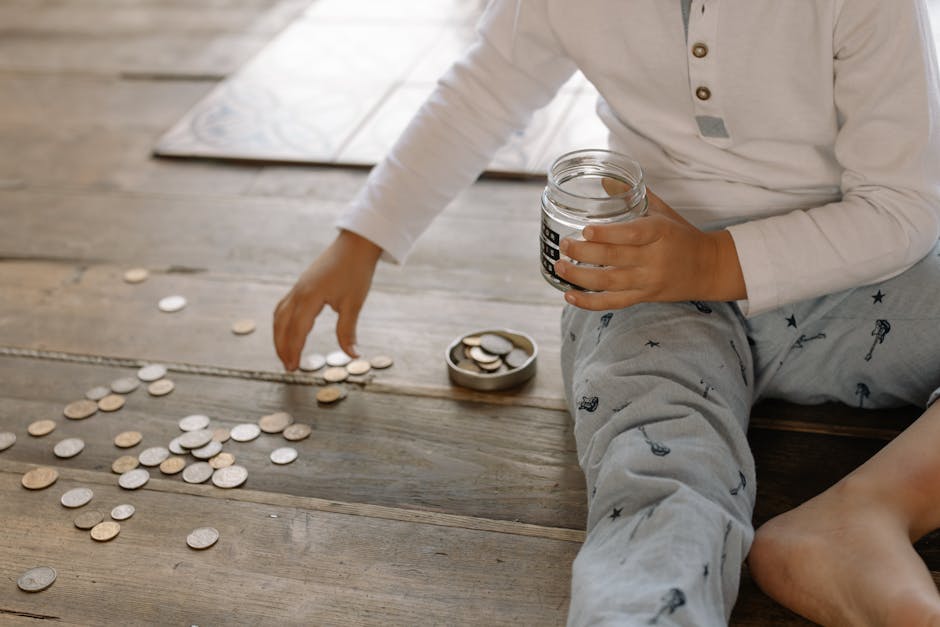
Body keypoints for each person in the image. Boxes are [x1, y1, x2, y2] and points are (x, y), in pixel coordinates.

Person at [274, 1, 940, 624]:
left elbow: (902, 208)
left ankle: (870, 509)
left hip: (849, 278)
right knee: (660, 473)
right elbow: (484, 88)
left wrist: (713, 262)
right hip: (642, 284)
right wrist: (363, 237)